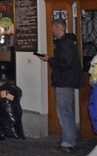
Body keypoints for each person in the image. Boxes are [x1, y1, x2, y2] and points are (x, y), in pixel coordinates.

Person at [38, 19, 84, 153]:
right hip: (66, 81)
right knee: (67, 111)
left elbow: (65, 64)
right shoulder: (67, 43)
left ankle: (68, 142)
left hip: (64, 82)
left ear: (58, 28)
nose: (52, 31)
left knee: (64, 111)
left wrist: (49, 59)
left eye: (53, 28)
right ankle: (71, 137)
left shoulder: (65, 44)